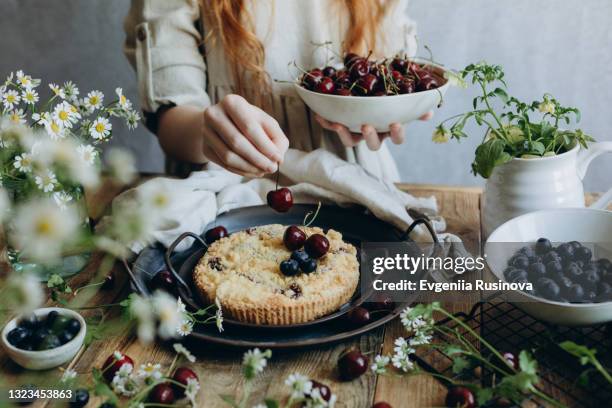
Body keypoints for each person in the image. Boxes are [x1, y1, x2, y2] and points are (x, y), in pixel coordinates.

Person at [124, 0, 431, 180]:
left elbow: (386, 77)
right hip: (225, 193)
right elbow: (170, 115)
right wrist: (209, 132)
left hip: (356, 182)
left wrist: (382, 116)